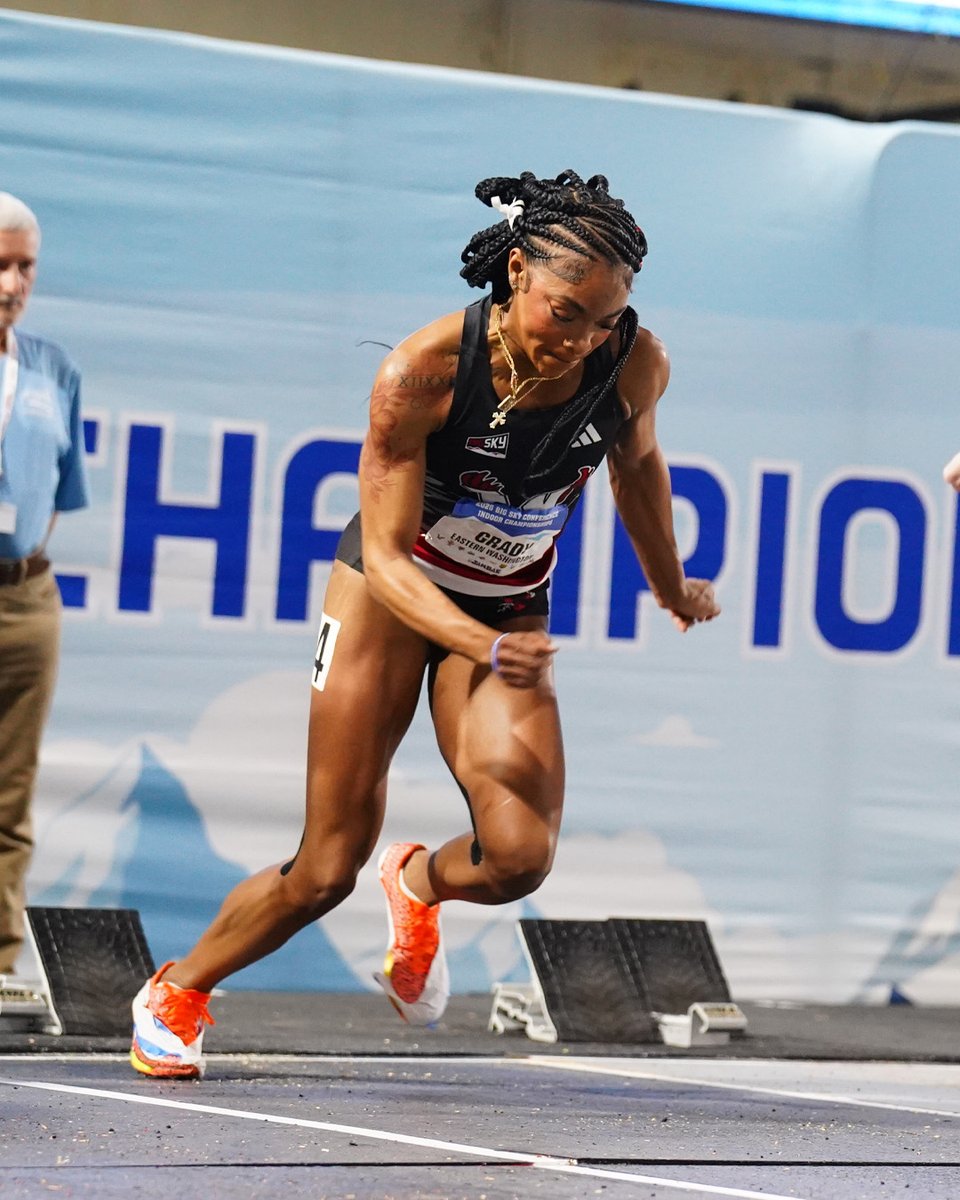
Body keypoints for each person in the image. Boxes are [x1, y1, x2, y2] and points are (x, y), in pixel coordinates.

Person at [130, 169, 720, 1078]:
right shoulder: (424, 370)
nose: (583, 340)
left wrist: (672, 584)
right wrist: (481, 645)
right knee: (326, 867)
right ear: (517, 270)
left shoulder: (635, 363)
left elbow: (637, 470)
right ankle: (180, 988)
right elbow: (392, 558)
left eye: (605, 321)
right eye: (567, 313)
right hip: (388, 598)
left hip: (507, 605)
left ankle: (416, 884)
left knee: (520, 856)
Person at [0, 192, 89, 975]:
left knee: (9, 793)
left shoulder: (53, 369)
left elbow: (58, 497)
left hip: (26, 597)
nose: (10, 283)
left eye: (24, 266)